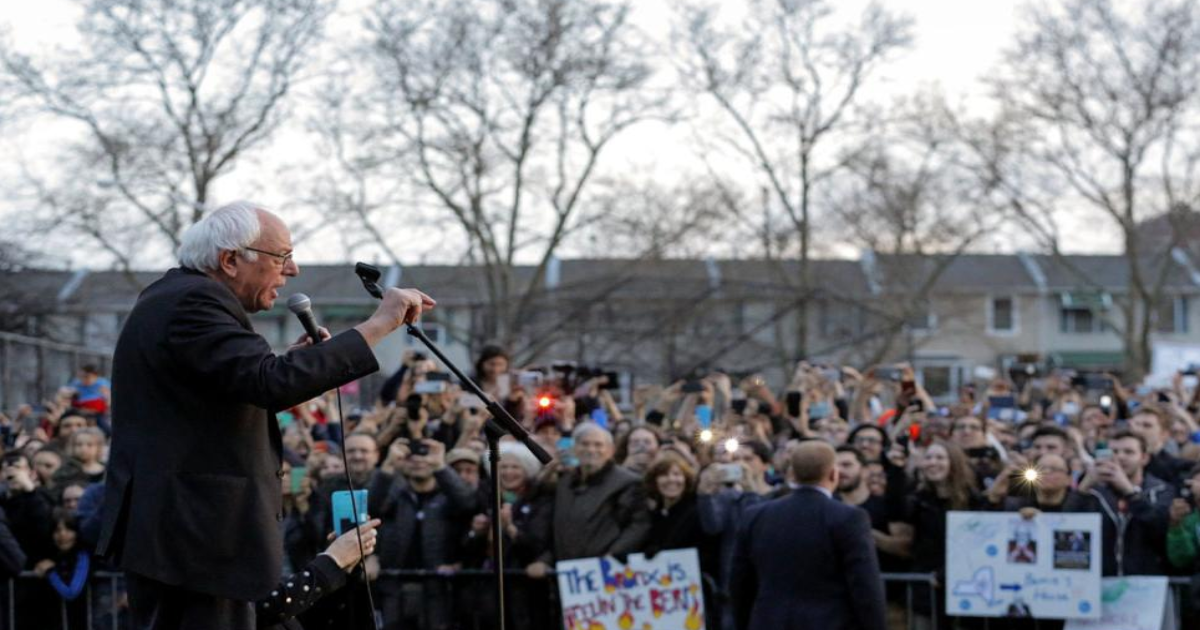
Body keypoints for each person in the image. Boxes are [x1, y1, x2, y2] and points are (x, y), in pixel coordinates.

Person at [96, 201, 435, 630]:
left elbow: (247, 383)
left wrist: (292, 364)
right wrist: (380, 324)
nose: (292, 271)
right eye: (283, 257)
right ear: (231, 260)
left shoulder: (177, 299)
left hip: (189, 543)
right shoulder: (193, 301)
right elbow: (267, 382)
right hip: (195, 544)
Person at [731, 440, 885, 630]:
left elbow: (740, 583)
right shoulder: (849, 518)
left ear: (792, 475)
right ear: (833, 474)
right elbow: (865, 586)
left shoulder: (755, 515)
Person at [538, 422, 650, 564]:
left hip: (605, 570)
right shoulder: (564, 481)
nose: (591, 450)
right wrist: (546, 559)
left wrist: (614, 554)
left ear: (610, 450)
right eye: (584, 444)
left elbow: (639, 525)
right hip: (566, 570)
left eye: (598, 445)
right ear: (574, 449)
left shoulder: (628, 482)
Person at [1076, 430, 1174, 576]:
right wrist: (1083, 488)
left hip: (1147, 584)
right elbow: (1068, 526)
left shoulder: (1161, 490)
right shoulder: (1094, 492)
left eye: (1129, 452)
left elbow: (1160, 528)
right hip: (1100, 583)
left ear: (1144, 458)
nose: (1120, 457)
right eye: (1114, 451)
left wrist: (1129, 492)